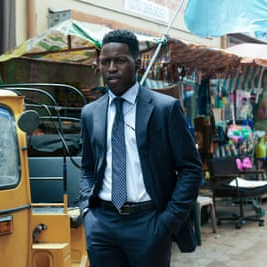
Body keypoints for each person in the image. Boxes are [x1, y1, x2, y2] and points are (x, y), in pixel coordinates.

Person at [79, 29, 203, 267]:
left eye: (120, 61)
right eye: (105, 62)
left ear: (137, 63)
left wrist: (167, 221)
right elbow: (87, 168)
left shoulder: (164, 109)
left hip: (148, 223)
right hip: (102, 224)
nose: (112, 68)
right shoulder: (90, 113)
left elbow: (191, 169)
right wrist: (88, 212)